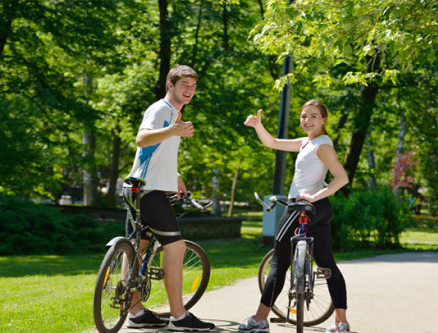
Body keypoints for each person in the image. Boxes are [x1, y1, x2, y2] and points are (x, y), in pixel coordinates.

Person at [238, 100, 351, 333]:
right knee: (327, 264)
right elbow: (272, 143)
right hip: (319, 209)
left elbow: (342, 178)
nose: (307, 120)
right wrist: (258, 125)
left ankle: (259, 320)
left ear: (324, 120)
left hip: (303, 207)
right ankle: (341, 322)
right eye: (303, 116)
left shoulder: (321, 146)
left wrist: (314, 196)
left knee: (279, 262)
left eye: (313, 116)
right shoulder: (305, 143)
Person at [123, 65, 215, 331]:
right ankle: (179, 316)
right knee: (176, 248)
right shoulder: (162, 109)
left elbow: (154, 151)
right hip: (150, 191)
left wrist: (175, 175)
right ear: (170, 86)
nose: (189, 90)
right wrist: (174, 130)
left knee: (136, 248)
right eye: (184, 85)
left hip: (138, 187)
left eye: (193, 86)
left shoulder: (175, 113)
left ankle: (136, 312)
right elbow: (141, 139)